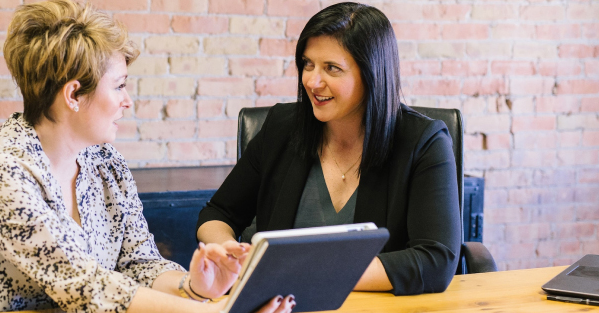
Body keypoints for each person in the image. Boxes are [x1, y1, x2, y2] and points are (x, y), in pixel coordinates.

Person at [0, 0, 292, 313]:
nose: (127, 100)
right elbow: (85, 285)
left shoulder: (105, 162)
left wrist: (194, 286)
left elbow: (138, 264)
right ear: (73, 95)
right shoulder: (2, 172)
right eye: (119, 86)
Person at [196, 2, 462, 296]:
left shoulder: (424, 142)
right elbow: (217, 213)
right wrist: (227, 252)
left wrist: (308, 273)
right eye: (308, 64)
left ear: (372, 73)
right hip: (281, 312)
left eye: (332, 68)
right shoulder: (282, 128)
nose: (312, 81)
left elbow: (436, 259)